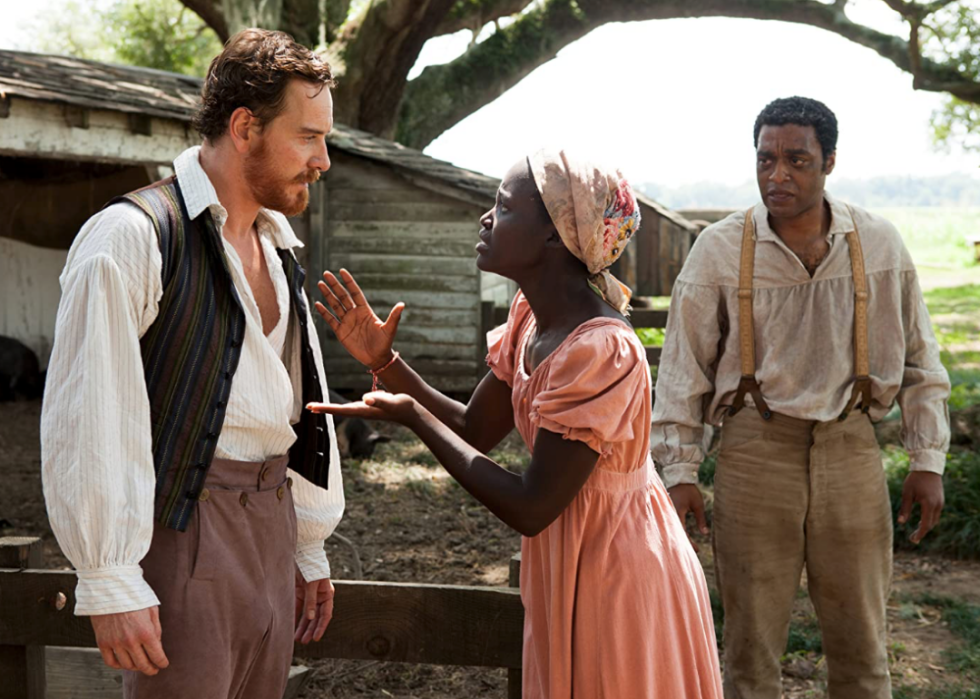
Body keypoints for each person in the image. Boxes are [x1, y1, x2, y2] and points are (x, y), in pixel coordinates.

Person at [309, 149, 724, 699]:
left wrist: (413, 417)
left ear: (556, 234)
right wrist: (386, 363)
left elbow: (531, 506)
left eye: (503, 207)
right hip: (573, 555)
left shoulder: (601, 350)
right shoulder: (532, 320)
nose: (486, 219)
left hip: (618, 569)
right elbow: (473, 430)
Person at [41, 29, 344, 699]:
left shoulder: (279, 248)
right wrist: (109, 576)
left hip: (273, 529)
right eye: (307, 136)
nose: (322, 160)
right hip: (186, 531)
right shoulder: (132, 237)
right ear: (244, 127)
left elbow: (294, 403)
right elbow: (89, 415)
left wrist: (306, 542)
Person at [651, 96, 951, 699]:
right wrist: (679, 471)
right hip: (754, 454)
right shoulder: (719, 249)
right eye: (766, 159)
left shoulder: (879, 244)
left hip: (851, 448)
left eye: (797, 160)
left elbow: (920, 359)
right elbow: (683, 372)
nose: (778, 175)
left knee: (863, 647)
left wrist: (928, 459)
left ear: (829, 161)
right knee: (750, 650)